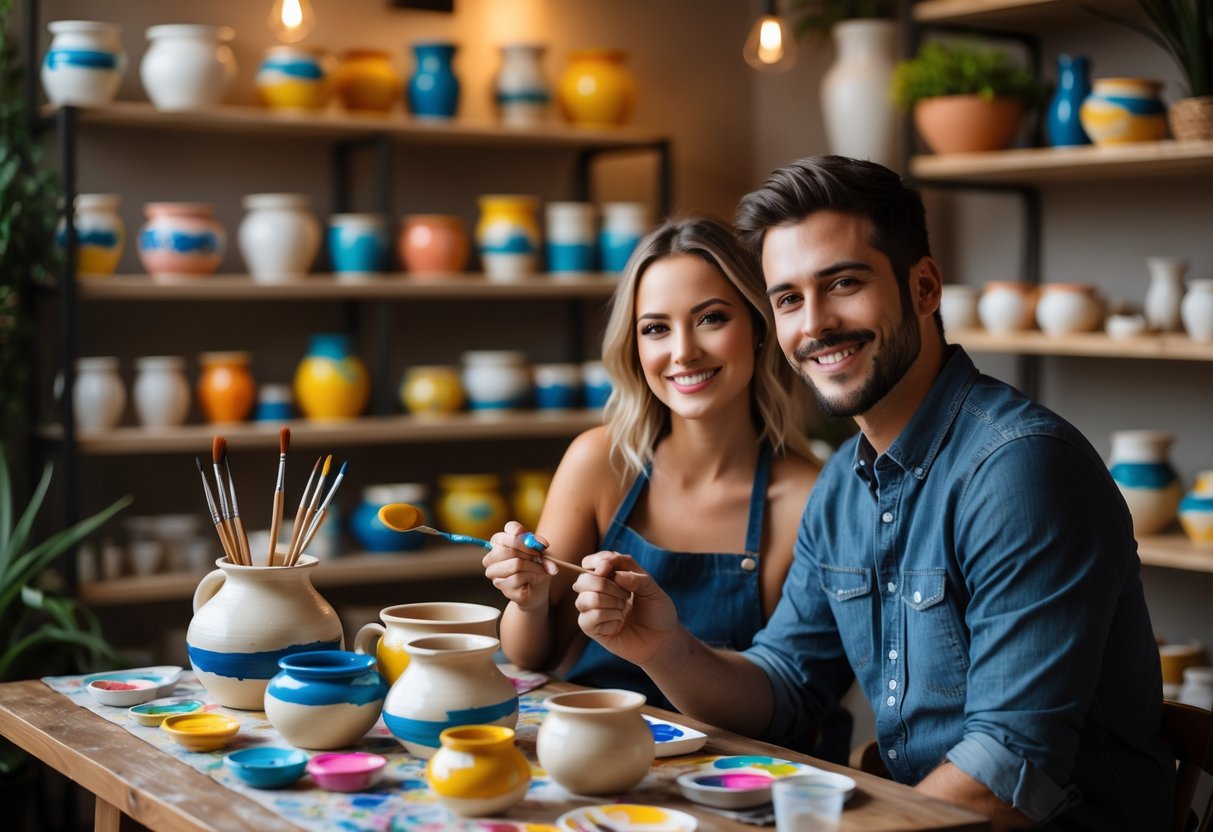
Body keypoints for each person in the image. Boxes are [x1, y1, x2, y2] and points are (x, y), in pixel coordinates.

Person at [567, 157, 1174, 830]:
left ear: (923, 287)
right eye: (789, 299)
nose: (815, 324)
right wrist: (663, 649)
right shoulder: (841, 486)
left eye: (843, 284)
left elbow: (1006, 771)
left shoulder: (1020, 470)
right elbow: (786, 687)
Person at [482, 216, 822, 714]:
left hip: (730, 769)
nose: (683, 352)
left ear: (757, 329)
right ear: (635, 347)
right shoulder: (598, 462)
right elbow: (532, 655)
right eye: (657, 328)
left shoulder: (806, 498)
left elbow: (788, 702)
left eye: (711, 318)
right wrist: (528, 602)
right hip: (594, 741)